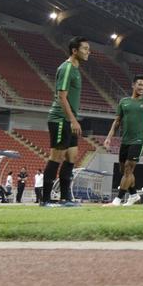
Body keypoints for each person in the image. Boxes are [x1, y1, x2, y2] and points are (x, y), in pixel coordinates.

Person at [43, 36, 89, 206]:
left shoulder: (77, 69)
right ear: (74, 51)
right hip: (60, 118)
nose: (88, 52)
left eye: (88, 49)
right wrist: (73, 120)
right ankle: (45, 199)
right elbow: (62, 97)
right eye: (84, 49)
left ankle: (65, 198)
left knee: (72, 156)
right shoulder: (67, 67)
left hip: (69, 119)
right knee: (57, 156)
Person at [104, 75, 143, 206]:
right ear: (133, 85)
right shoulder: (123, 102)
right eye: (140, 84)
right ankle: (134, 194)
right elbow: (117, 121)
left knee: (128, 169)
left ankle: (117, 200)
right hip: (125, 140)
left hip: (138, 141)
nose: (142, 87)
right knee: (123, 170)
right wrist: (109, 137)